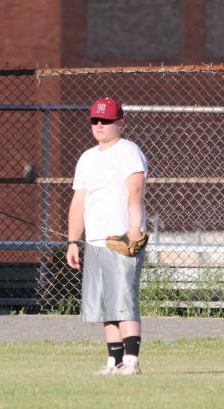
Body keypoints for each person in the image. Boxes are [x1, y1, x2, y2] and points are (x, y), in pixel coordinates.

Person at [66, 97, 148, 376]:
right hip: (95, 242)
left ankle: (132, 362)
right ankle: (114, 362)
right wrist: (73, 241)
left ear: (120, 123)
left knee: (123, 303)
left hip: (121, 240)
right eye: (95, 120)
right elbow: (79, 202)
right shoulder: (87, 158)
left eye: (106, 120)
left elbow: (135, 192)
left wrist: (133, 231)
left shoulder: (128, 151)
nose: (99, 125)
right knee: (104, 307)